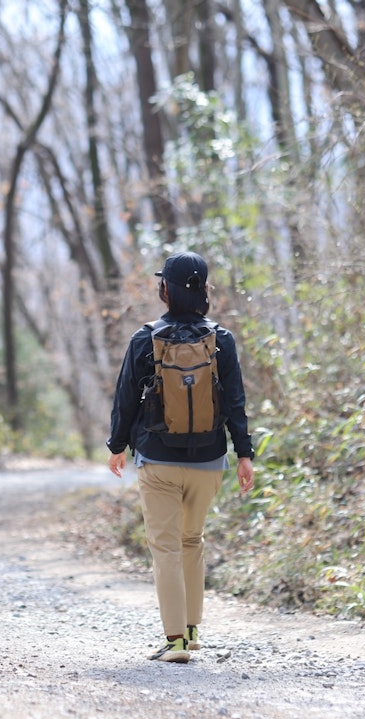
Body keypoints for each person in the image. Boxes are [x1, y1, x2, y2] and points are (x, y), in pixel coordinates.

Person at [107, 251, 254, 663]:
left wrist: (116, 446)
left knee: (166, 547)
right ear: (205, 290)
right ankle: (191, 631)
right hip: (209, 460)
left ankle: (174, 642)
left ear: (165, 289)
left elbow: (125, 400)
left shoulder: (145, 338)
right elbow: (236, 402)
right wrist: (245, 454)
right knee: (193, 541)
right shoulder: (220, 340)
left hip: (158, 460)